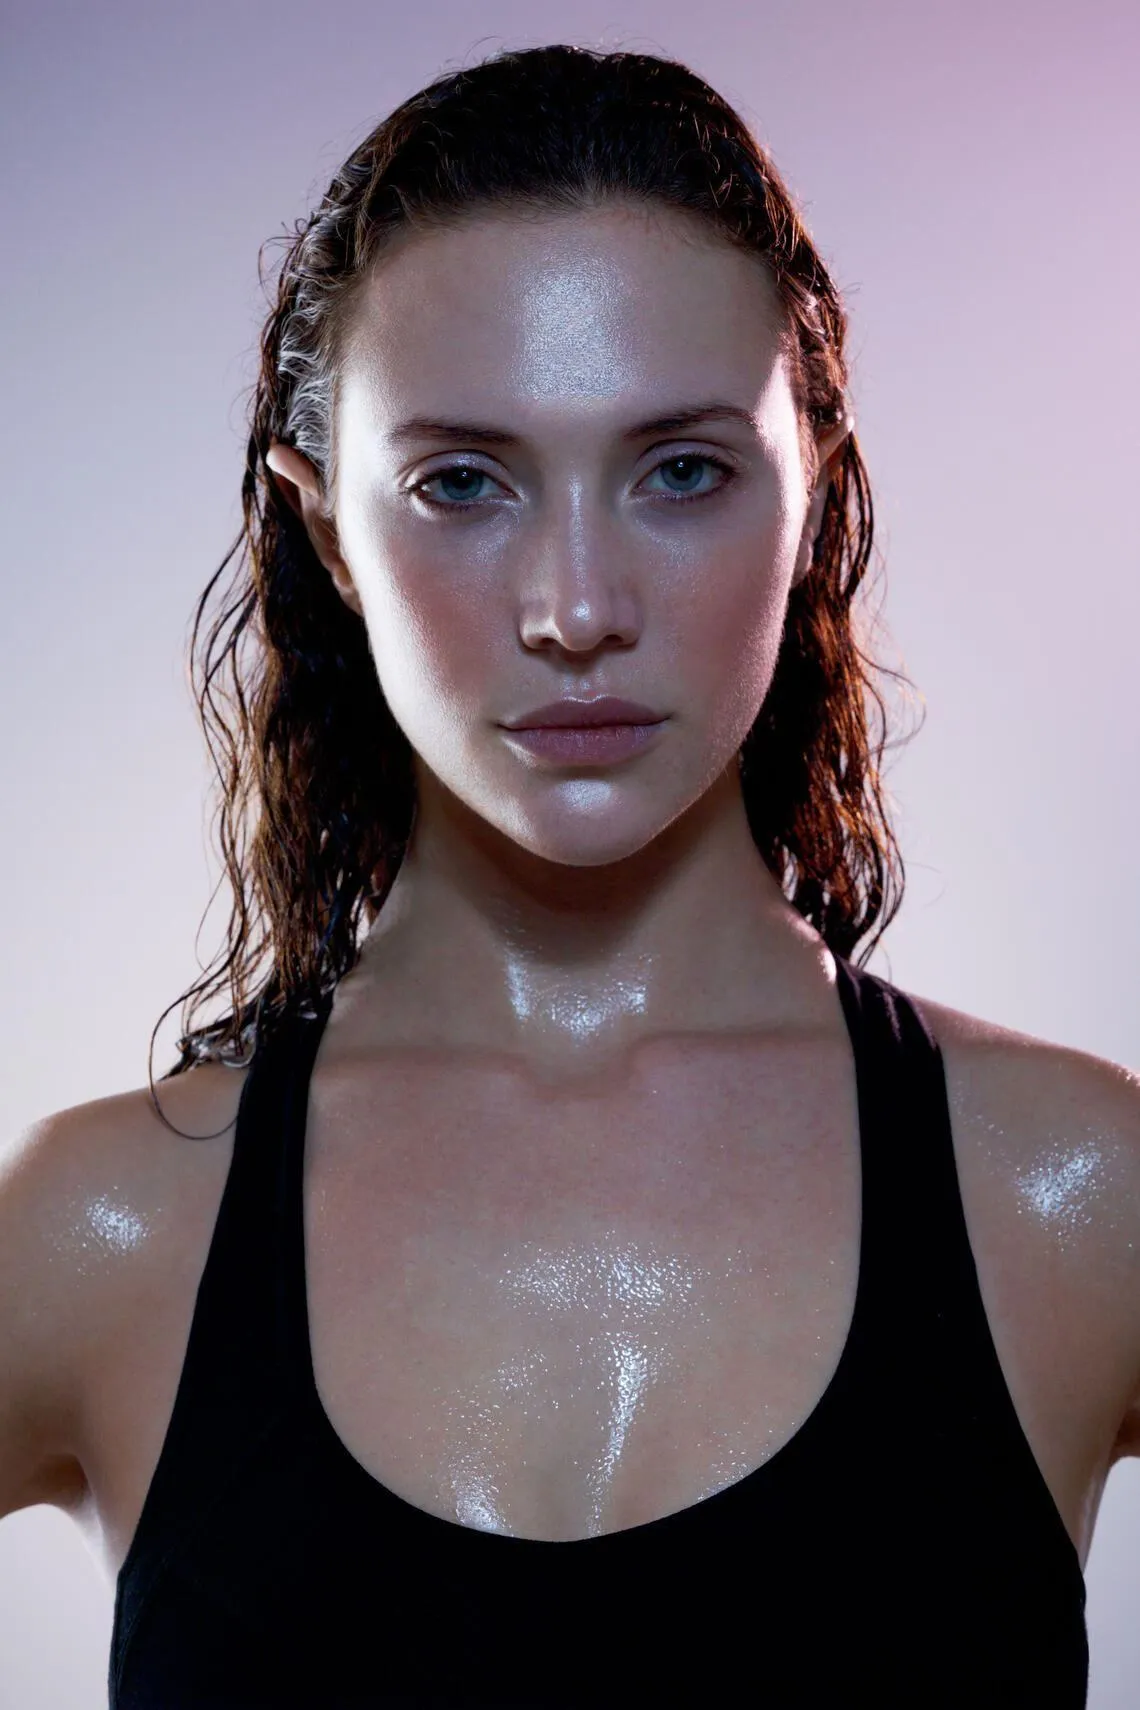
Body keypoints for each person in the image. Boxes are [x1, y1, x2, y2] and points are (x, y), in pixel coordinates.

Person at [1, 40, 1135, 1708]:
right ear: (328, 528)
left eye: (682, 470)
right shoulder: (105, 1228)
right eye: (463, 482)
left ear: (812, 484)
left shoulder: (1079, 1195)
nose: (577, 606)